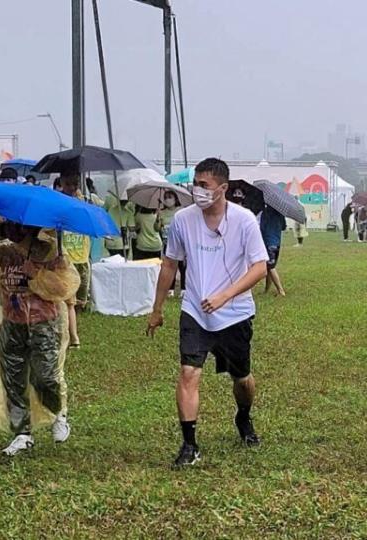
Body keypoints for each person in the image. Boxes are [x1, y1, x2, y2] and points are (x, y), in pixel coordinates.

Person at [146, 158, 268, 468]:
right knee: (189, 373)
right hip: (195, 311)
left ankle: (243, 416)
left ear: (223, 189)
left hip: (235, 313)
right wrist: (157, 308)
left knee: (241, 379)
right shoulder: (183, 221)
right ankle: (189, 444)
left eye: (205, 186)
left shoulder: (244, 221)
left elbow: (260, 267)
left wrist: (227, 295)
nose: (197, 191)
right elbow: (170, 264)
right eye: (195, 184)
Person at [0, 221, 79, 456]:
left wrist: (37, 272)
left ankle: (58, 413)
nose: (13, 229)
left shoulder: (49, 251)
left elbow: (65, 288)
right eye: (9, 225)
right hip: (12, 323)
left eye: (18, 226)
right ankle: (22, 433)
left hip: (43, 325)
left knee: (45, 376)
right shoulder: (3, 252)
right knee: (13, 382)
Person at [58, 173, 91, 348]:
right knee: (68, 301)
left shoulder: (84, 203)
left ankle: (72, 330)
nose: (73, 187)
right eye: (69, 183)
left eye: (76, 184)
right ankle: (72, 336)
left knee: (80, 301)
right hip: (66, 258)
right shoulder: (58, 204)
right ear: (62, 183)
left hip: (82, 257)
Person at [159, 191, 184, 296]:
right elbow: (157, 229)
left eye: (170, 197)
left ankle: (183, 290)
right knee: (170, 266)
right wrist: (157, 220)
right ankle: (171, 289)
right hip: (167, 243)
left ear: (175, 199)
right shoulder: (161, 213)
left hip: (181, 243)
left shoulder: (181, 212)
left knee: (182, 267)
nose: (168, 200)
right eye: (165, 198)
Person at [259, 204, 287, 296]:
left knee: (270, 267)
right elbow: (283, 226)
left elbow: (261, 228)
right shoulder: (280, 213)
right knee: (269, 266)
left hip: (268, 242)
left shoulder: (265, 212)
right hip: (277, 243)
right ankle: (266, 290)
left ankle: (281, 290)